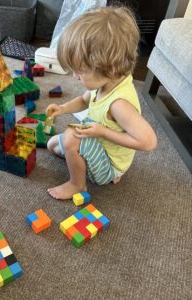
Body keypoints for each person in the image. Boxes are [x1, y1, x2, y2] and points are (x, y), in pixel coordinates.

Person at [46, 6, 157, 200]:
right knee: (52, 145)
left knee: (71, 136)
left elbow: (148, 142)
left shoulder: (119, 104)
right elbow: (83, 100)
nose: (75, 77)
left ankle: (77, 184)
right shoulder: (104, 82)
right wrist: (62, 108)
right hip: (98, 145)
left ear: (110, 68)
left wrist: (103, 131)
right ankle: (81, 160)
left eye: (80, 71)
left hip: (110, 163)